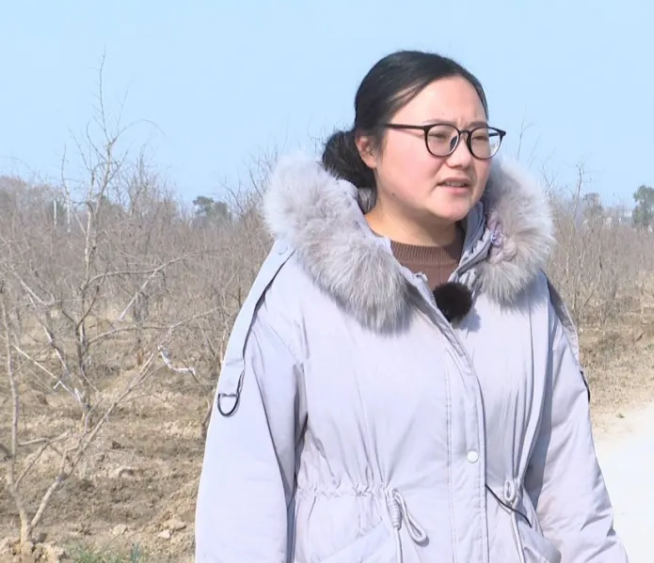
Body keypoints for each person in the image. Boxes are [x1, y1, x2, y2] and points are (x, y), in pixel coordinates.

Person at [194, 49, 628, 563]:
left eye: (477, 138)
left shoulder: (522, 289)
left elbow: (571, 495)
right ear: (369, 147)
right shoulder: (300, 291)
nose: (462, 158)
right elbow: (242, 501)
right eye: (438, 136)